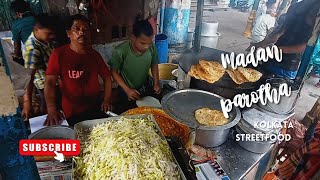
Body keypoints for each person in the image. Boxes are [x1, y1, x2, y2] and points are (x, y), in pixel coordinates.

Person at [44, 14, 112, 127]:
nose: (81, 32)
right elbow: (50, 82)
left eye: (85, 29)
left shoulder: (94, 55)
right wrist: (51, 108)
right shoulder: (59, 54)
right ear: (68, 33)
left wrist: (107, 99)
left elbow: (107, 77)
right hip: (71, 111)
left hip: (94, 107)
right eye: (77, 29)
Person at [249, 0, 320, 81]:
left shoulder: (299, 9)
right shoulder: (297, 8)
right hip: (276, 59)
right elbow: (278, 32)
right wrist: (259, 45)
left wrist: (276, 50)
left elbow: (305, 46)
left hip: (287, 65)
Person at [108, 17, 160, 113]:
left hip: (144, 86)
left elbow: (154, 64)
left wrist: (156, 82)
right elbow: (114, 71)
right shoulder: (120, 51)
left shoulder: (151, 46)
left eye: (148, 43)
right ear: (133, 37)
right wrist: (127, 90)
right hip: (126, 89)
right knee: (129, 113)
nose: (146, 47)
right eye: (142, 43)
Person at [22, 15, 56, 120]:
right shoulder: (32, 48)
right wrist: (27, 102)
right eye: (48, 33)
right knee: (48, 108)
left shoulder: (44, 40)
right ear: (37, 30)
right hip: (44, 86)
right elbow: (29, 77)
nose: (52, 36)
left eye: (52, 33)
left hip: (53, 81)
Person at [10, 0, 35, 65]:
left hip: (33, 55)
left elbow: (17, 46)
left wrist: (16, 56)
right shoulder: (39, 18)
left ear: (17, 13)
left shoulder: (16, 24)